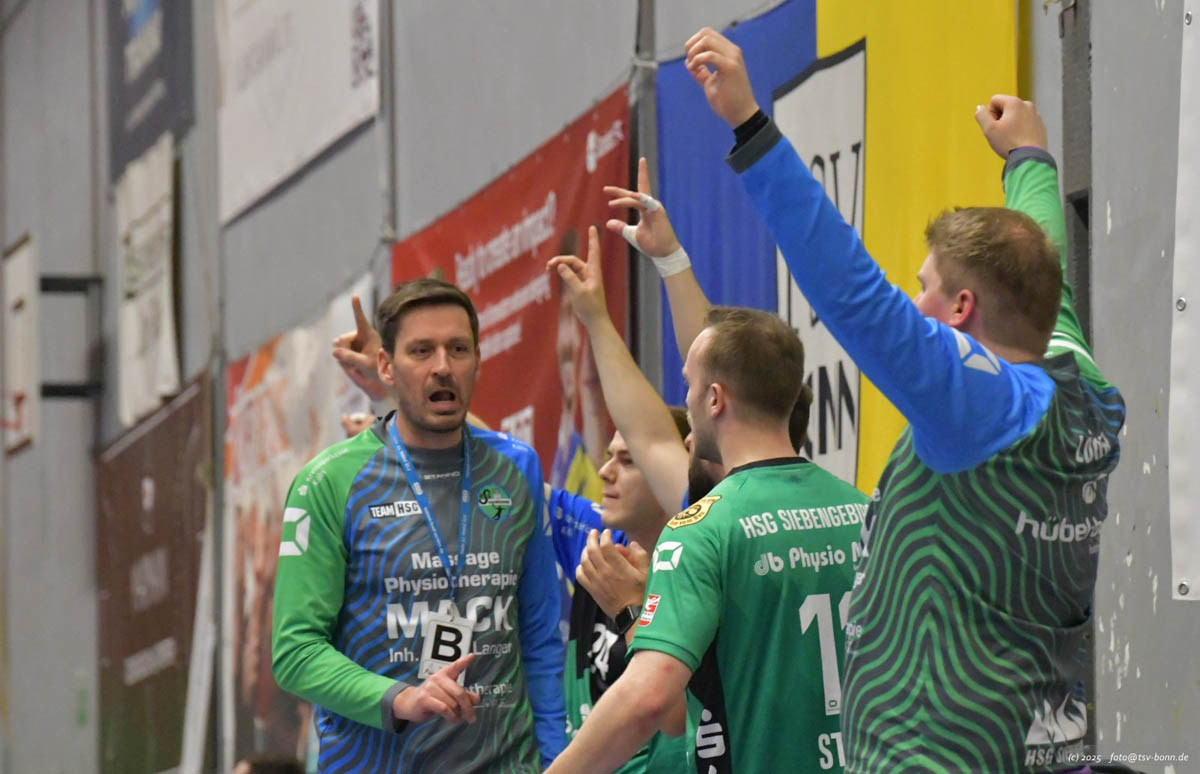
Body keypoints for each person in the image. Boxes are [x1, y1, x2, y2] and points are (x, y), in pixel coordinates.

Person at [683, 27, 1125, 773]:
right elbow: (1043, 277)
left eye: (924, 288)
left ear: (961, 309)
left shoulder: (978, 407)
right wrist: (1028, 160)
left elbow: (849, 288)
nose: (912, 304)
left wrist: (750, 126)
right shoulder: (1080, 383)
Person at [545, 229, 869, 773]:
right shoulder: (864, 511)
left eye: (690, 385)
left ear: (714, 398)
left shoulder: (701, 529)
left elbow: (650, 700)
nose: (686, 400)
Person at [272, 278, 566, 773]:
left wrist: (556, 761)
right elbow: (295, 652)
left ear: (478, 360)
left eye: (458, 349)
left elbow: (538, 638)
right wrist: (401, 698)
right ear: (385, 367)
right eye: (421, 351)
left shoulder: (517, 469)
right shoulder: (329, 482)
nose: (443, 367)